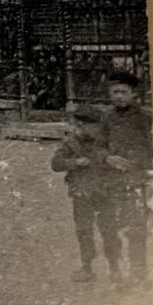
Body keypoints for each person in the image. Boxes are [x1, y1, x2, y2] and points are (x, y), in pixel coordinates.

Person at [52, 102, 123, 283]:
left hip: (105, 192)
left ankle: (115, 268)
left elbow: (118, 163)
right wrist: (74, 163)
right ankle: (87, 268)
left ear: (97, 126)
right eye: (78, 125)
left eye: (85, 125)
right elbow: (55, 163)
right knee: (84, 230)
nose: (80, 129)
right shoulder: (71, 143)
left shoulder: (109, 142)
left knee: (109, 230)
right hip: (81, 193)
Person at [102, 70, 153, 281]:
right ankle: (116, 269)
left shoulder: (145, 118)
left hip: (138, 181)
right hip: (113, 181)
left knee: (136, 228)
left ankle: (138, 273)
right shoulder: (107, 118)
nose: (119, 96)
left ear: (133, 94)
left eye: (123, 92)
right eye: (115, 92)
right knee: (111, 226)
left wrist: (145, 168)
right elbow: (98, 146)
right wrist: (107, 158)